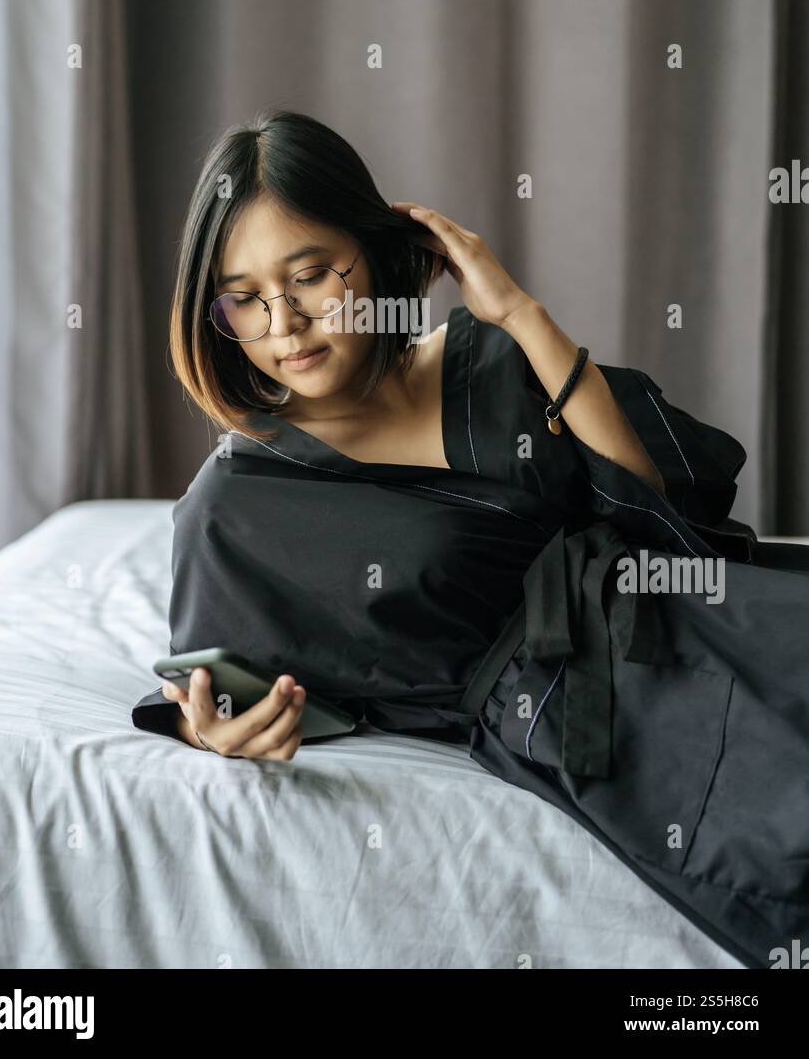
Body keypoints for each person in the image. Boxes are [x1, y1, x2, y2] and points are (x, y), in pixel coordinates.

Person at [132, 108, 809, 970]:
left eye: (309, 277)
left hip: (705, 615)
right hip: (590, 722)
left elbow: (665, 515)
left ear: (373, 255)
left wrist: (522, 314)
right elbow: (211, 686)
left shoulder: (485, 358)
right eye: (244, 300)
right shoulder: (239, 503)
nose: (284, 324)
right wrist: (211, 732)